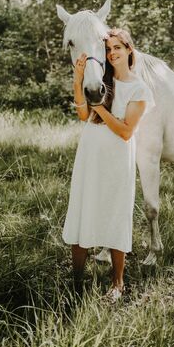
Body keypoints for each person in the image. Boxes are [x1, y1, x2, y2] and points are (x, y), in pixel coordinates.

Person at [62, 28, 154, 302]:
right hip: (89, 154)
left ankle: (118, 283)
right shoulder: (100, 80)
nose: (112, 53)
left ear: (129, 50)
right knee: (82, 208)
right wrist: (78, 80)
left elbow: (126, 131)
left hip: (116, 159)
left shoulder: (139, 88)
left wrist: (99, 107)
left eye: (118, 47)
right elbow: (82, 113)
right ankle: (76, 282)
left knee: (115, 213)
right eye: (109, 48)